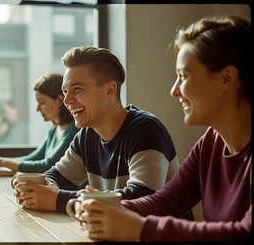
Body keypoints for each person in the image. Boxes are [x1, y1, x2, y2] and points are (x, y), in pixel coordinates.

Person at [77, 16, 251, 241]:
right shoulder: (211, 142)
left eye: (183, 76)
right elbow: (167, 202)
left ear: (226, 78)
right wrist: (109, 207)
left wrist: (138, 228)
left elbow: (244, 233)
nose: (174, 91)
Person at [12, 46, 182, 213]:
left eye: (77, 90)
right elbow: (57, 177)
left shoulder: (145, 130)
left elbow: (142, 197)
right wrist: (36, 188)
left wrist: (59, 200)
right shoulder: (87, 135)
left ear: (109, 90)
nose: (67, 101)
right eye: (65, 91)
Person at [0, 73, 79, 173]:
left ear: (60, 100)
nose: (38, 109)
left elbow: (48, 165)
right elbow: (35, 157)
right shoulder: (54, 130)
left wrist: (1, 162)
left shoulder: (75, 131)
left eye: (42, 103)